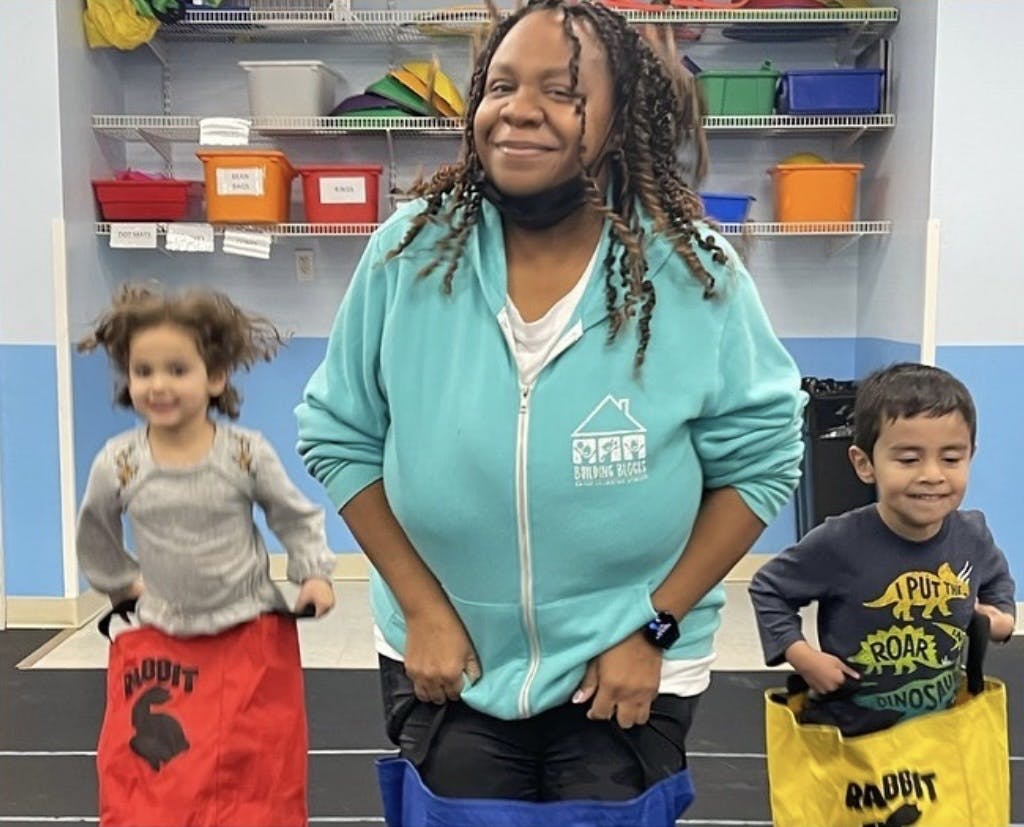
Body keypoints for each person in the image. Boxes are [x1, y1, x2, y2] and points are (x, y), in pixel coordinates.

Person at [297, 0, 804, 813]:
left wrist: (654, 627)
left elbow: (762, 464)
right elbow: (339, 435)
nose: (518, 109)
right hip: (450, 653)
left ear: (619, 119)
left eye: (561, 91)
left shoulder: (695, 273)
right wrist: (423, 608)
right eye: (501, 86)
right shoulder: (408, 252)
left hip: (628, 660)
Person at [750, 363, 1016, 736]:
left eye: (951, 459)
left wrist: (1001, 618)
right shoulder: (838, 542)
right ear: (865, 464)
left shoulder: (972, 534)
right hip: (851, 738)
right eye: (908, 459)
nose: (932, 475)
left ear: (970, 456)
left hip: (936, 732)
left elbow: (996, 581)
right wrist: (803, 656)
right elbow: (769, 589)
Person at [77, 283, 336, 628]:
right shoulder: (119, 462)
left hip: (249, 624)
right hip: (164, 629)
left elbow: (293, 516)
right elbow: (94, 530)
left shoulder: (245, 454)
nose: (158, 385)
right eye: (143, 371)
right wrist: (120, 583)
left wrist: (314, 574)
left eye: (177, 370)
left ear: (214, 377)